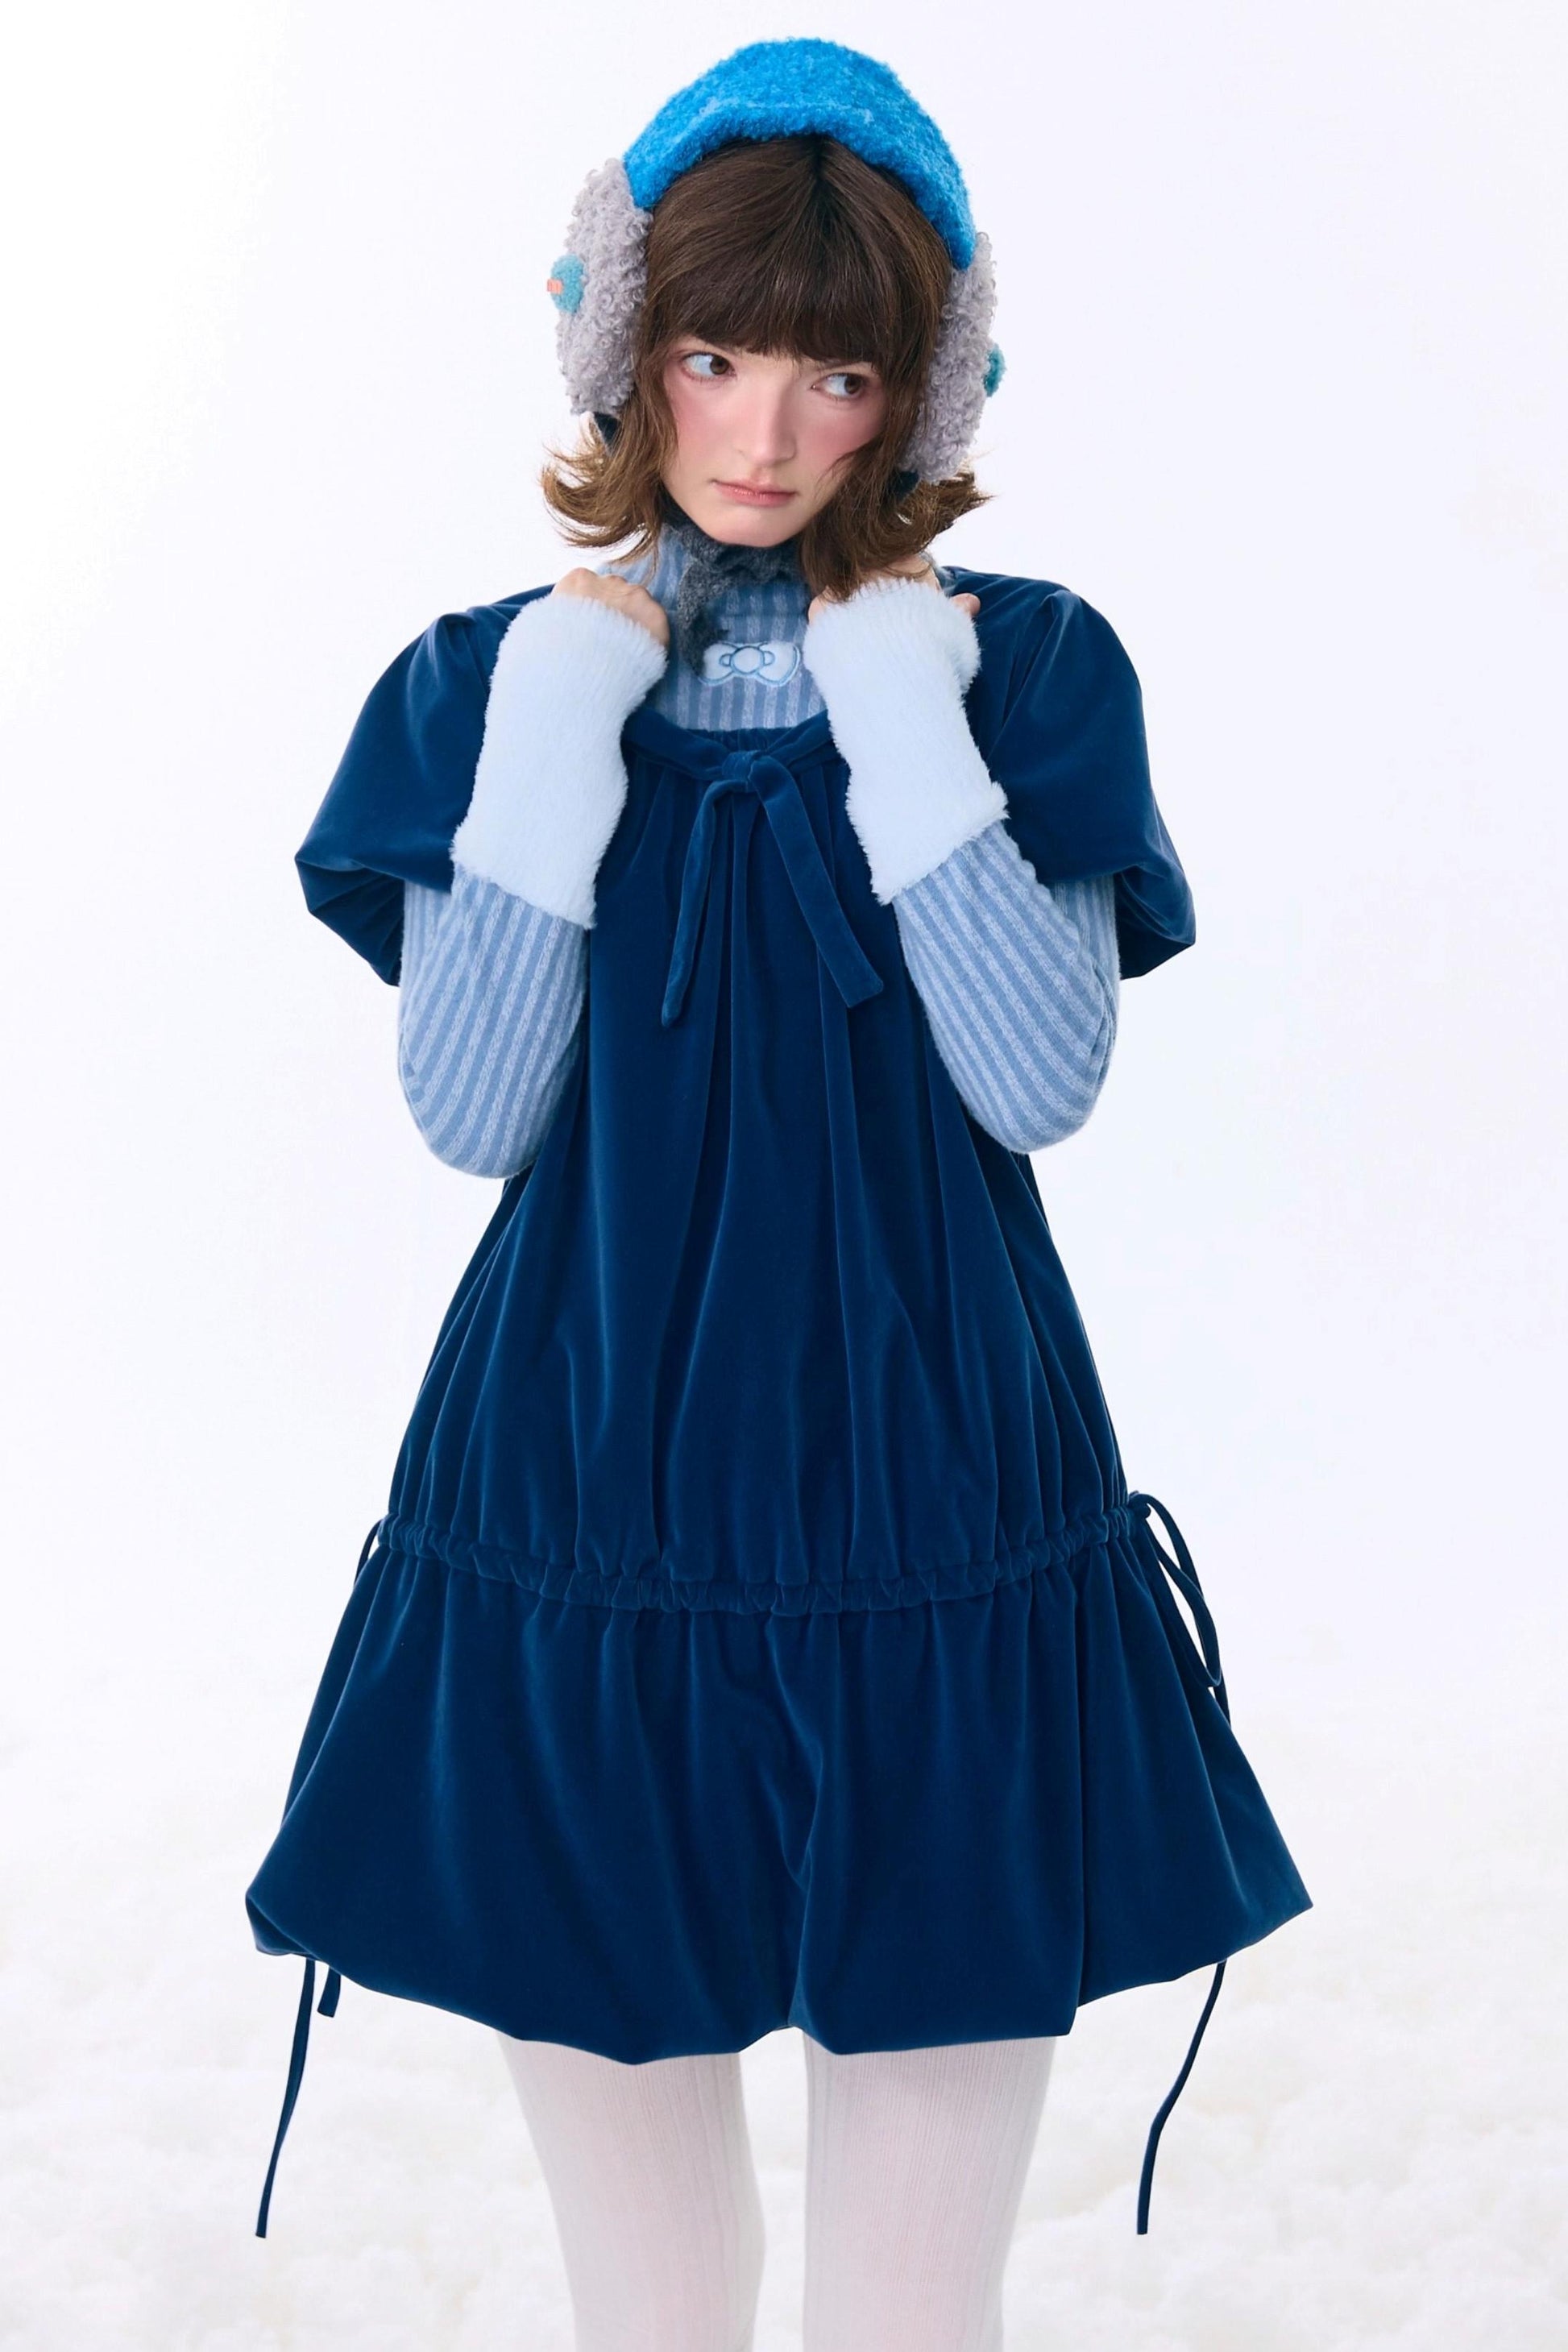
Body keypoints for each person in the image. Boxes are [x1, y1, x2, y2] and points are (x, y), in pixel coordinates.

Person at [245, 37, 1313, 2345]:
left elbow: (1037, 1080)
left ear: (918, 392)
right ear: (623, 341)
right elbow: (474, 1107)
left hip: (940, 1512)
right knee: (650, 2304)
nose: (760, 433)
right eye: (714, 357)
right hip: (584, 1506)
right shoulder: (487, 685)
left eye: (836, 374)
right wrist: (560, 729)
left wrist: (902, 712)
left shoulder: (1022, 669)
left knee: (910, 2311)